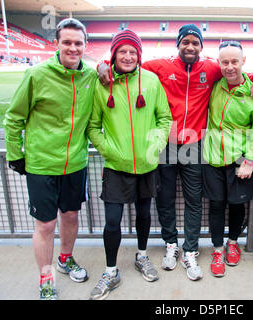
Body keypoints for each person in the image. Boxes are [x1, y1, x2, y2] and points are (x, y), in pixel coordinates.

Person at [97, 24, 253, 281]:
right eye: (185, 42)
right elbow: (128, 63)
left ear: (200, 46)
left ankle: (190, 249)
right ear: (178, 44)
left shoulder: (210, 68)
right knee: (164, 198)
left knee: (193, 200)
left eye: (195, 43)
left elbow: (237, 71)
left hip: (195, 145)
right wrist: (103, 65)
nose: (190, 46)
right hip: (164, 143)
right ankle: (171, 245)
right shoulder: (161, 66)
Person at [4, 18, 96, 300]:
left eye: (78, 43)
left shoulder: (91, 76)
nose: (73, 48)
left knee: (70, 216)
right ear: (56, 44)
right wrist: (15, 154)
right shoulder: (36, 74)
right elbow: (13, 118)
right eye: (66, 42)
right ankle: (46, 276)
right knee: (45, 224)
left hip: (76, 163)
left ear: (85, 46)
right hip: (41, 164)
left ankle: (65, 259)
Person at [87, 29, 172, 300]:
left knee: (145, 216)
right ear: (114, 54)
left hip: (146, 165)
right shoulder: (103, 83)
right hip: (116, 166)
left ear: (139, 55)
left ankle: (142, 256)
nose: (127, 56)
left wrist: (155, 146)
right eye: (122, 51)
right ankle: (111, 271)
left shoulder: (151, 80)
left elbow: (164, 119)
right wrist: (109, 151)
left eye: (132, 52)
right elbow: (92, 127)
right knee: (112, 222)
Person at [202, 40, 253, 277]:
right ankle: (218, 249)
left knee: (237, 204)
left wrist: (250, 159)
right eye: (225, 62)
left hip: (239, 159)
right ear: (218, 63)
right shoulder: (213, 83)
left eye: (234, 61)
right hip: (212, 157)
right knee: (216, 205)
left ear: (244, 62)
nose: (230, 67)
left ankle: (233, 242)